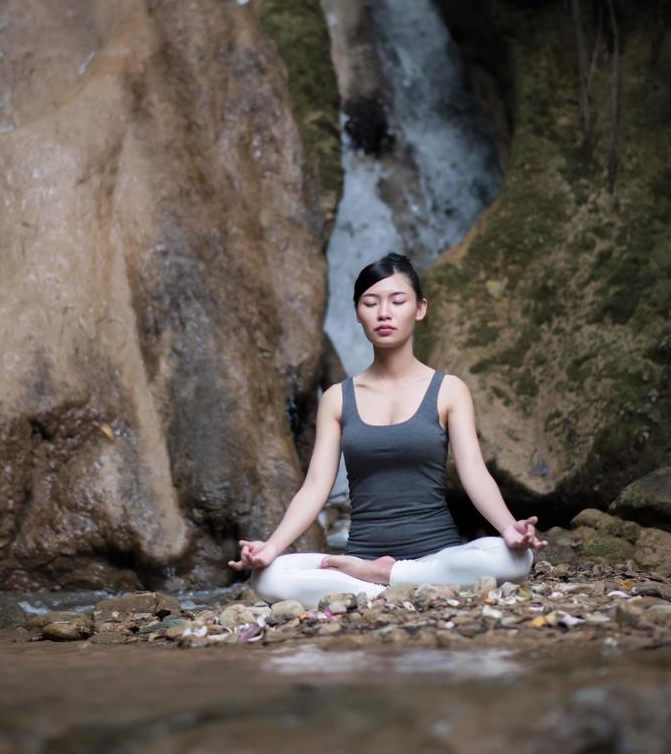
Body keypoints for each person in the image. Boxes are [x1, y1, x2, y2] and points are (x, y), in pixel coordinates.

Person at [229, 252, 547, 607]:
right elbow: (316, 487)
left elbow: (474, 471)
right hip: (360, 559)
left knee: (515, 557)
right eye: (370, 302)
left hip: (437, 555)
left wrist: (509, 529)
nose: (384, 313)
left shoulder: (449, 390)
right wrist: (270, 548)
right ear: (357, 313)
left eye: (398, 301)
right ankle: (400, 584)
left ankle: (386, 580)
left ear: (420, 309)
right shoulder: (337, 399)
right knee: (269, 577)